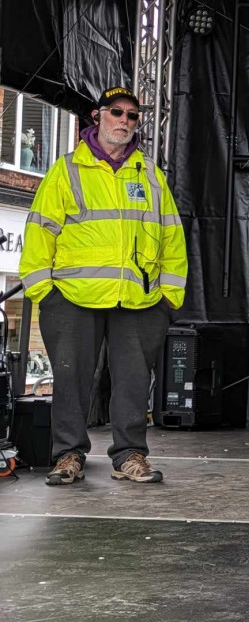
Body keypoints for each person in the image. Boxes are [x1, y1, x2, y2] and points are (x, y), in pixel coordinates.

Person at [20, 86, 187, 486]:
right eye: (117, 112)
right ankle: (68, 456)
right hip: (73, 297)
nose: (125, 121)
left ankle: (129, 456)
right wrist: (43, 290)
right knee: (70, 378)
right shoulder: (67, 170)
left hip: (139, 299)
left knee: (133, 381)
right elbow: (40, 231)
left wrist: (168, 296)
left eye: (133, 115)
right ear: (98, 117)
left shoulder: (149, 173)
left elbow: (171, 236)